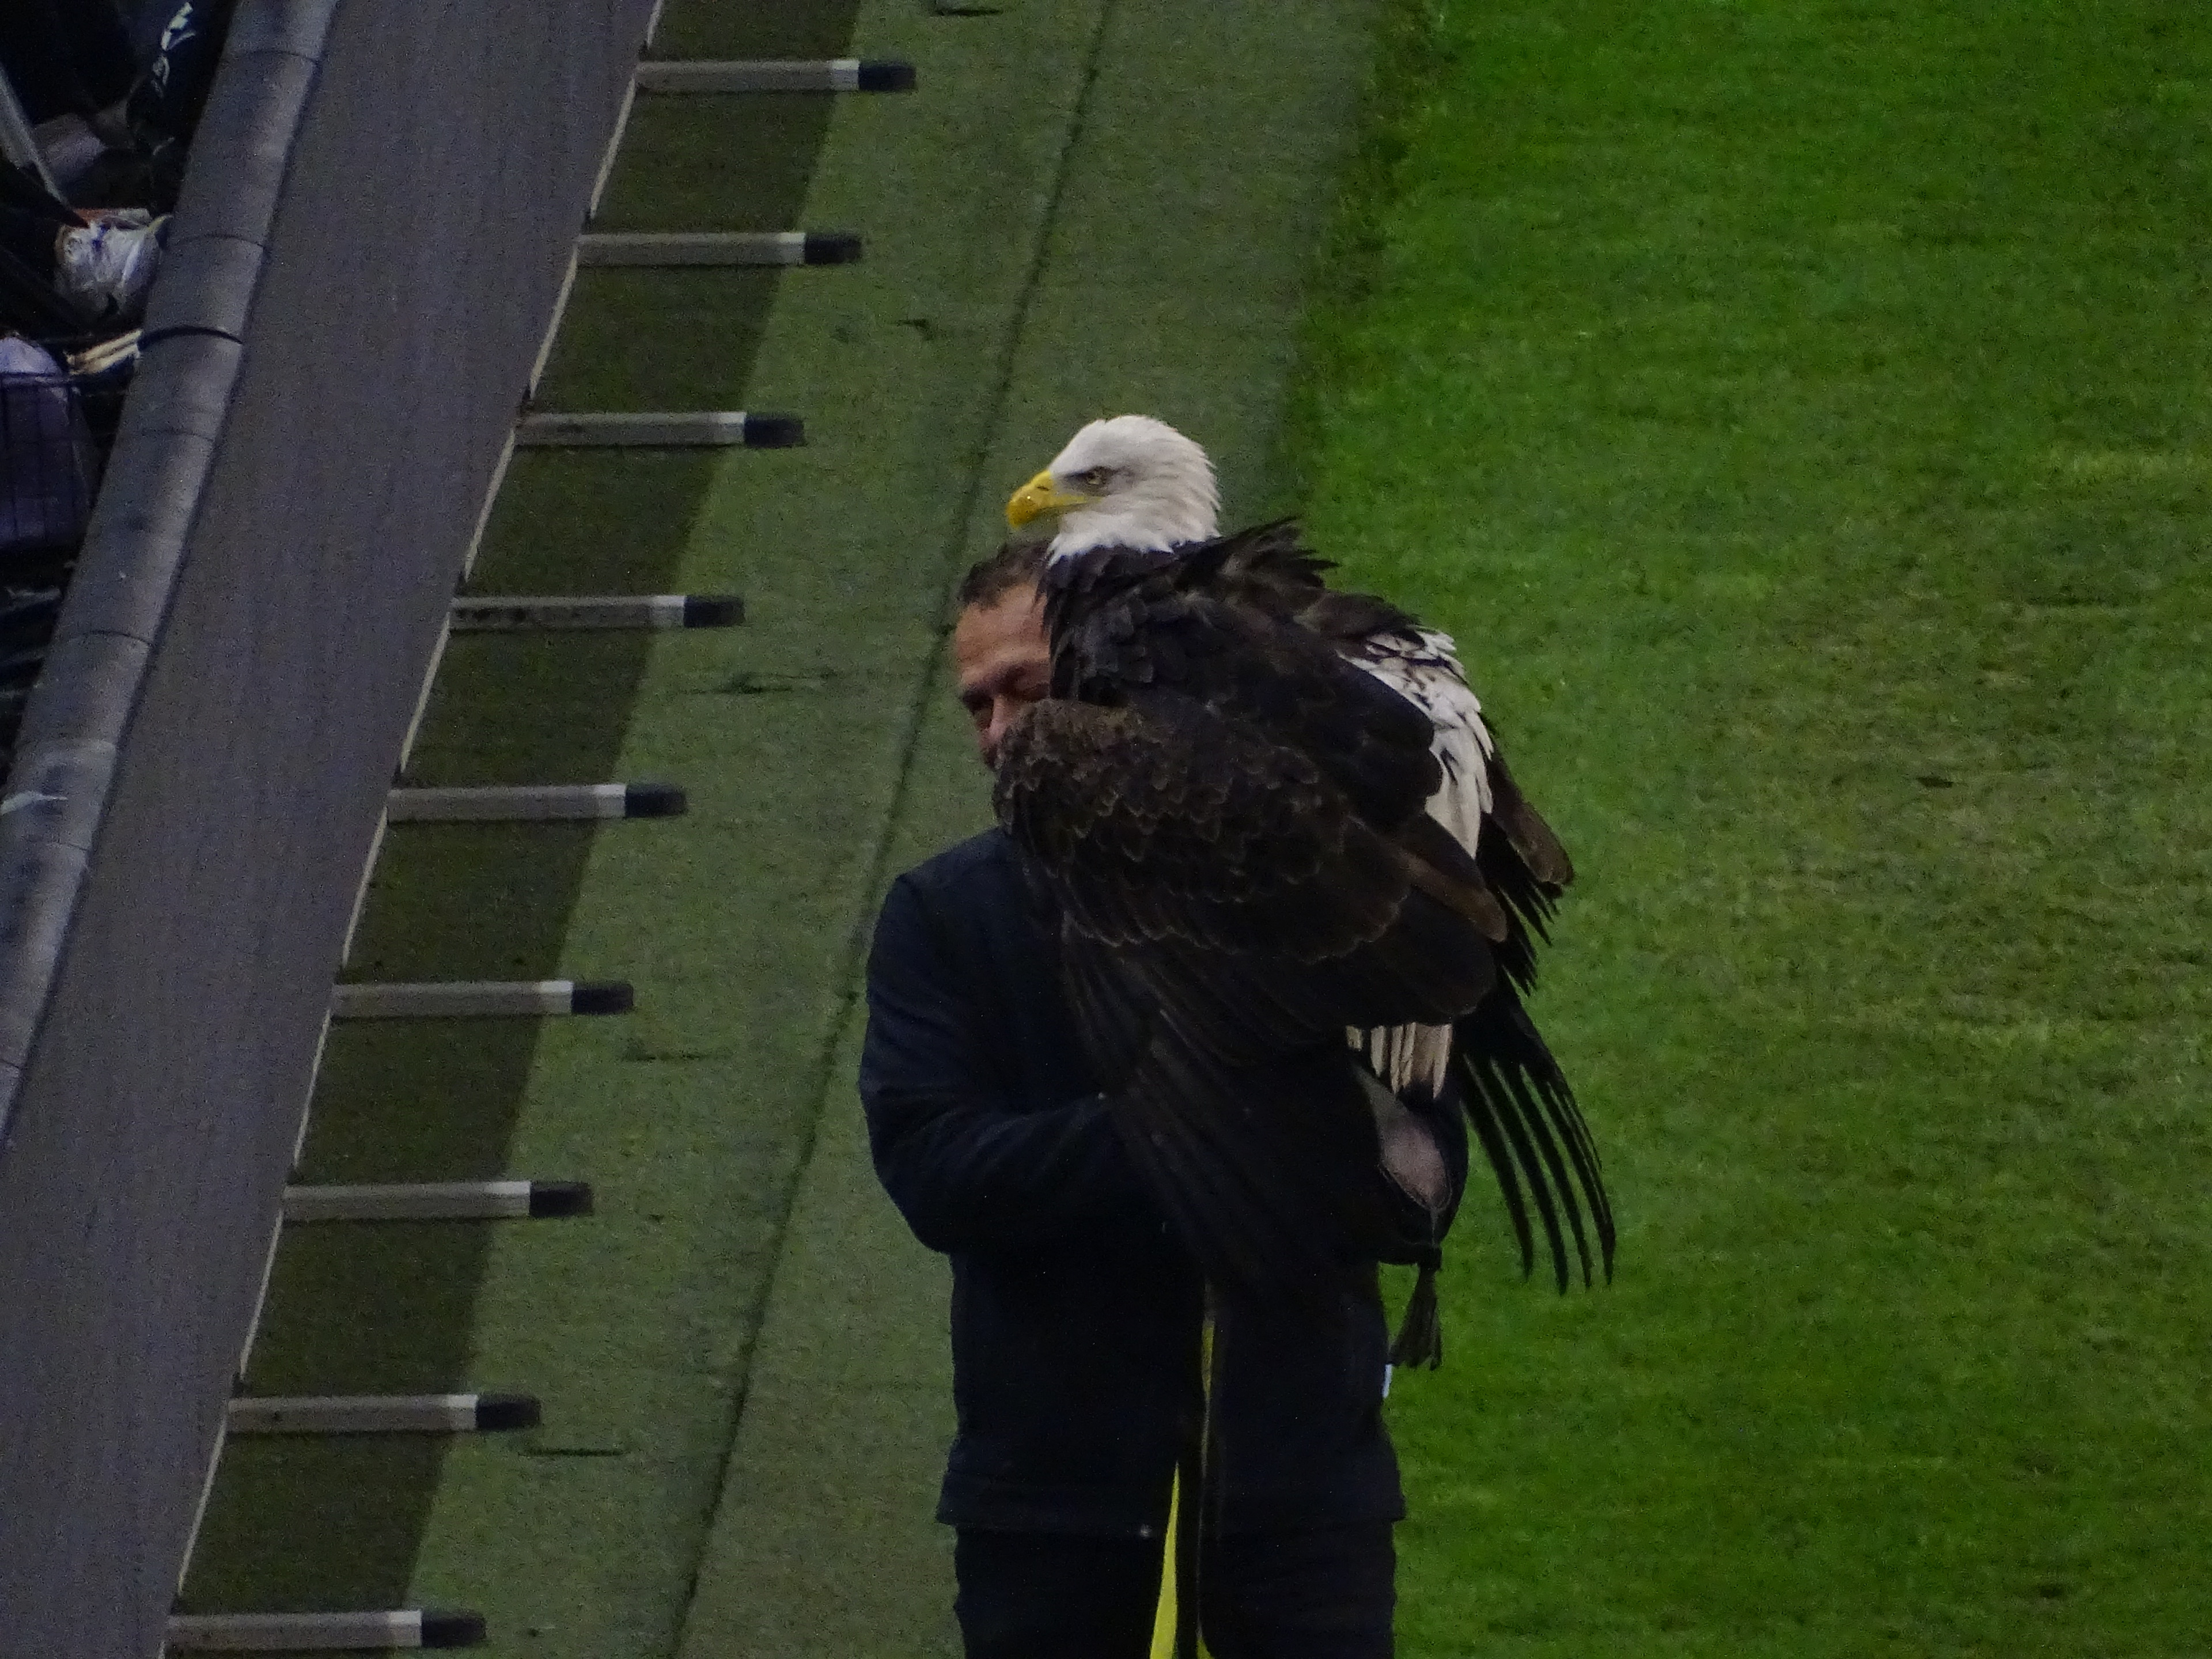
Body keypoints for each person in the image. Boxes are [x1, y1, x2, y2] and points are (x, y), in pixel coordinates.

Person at [858, 539, 1471, 1658]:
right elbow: (937, 1172)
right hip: (1055, 1521)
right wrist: (1197, 1125)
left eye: (1028, 692)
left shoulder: (1295, 882)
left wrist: (1307, 1132)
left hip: (1297, 1511)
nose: (1003, 733)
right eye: (978, 707)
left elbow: (1426, 1180)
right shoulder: (945, 917)